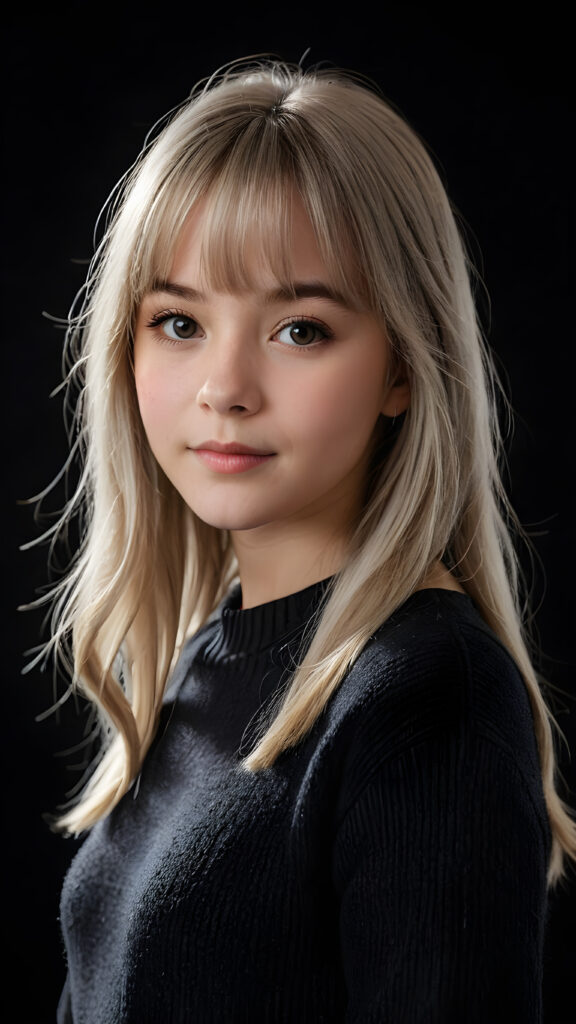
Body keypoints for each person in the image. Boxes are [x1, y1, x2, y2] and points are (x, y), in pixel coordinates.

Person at [34, 57, 575, 1021]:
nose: (226, 386)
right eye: (179, 321)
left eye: (300, 330)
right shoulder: (205, 660)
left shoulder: (427, 698)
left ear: (406, 367)